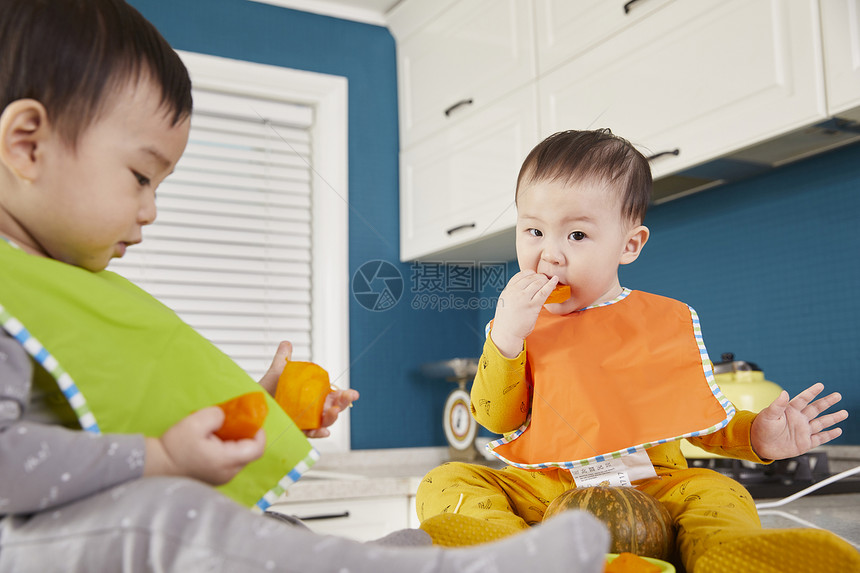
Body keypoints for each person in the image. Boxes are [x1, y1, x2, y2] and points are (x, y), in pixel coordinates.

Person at [0, 2, 615, 571]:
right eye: (140, 177)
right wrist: (159, 459)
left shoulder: (64, 290)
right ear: (27, 143)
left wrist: (256, 412)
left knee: (267, 524)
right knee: (170, 518)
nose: (150, 210)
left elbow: (118, 411)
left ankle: (375, 559)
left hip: (80, 525)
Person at [415, 129, 860, 573]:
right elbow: (496, 419)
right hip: (544, 492)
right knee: (447, 479)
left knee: (719, 492)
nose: (549, 255)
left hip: (651, 489)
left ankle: (726, 557)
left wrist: (757, 437)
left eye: (576, 236)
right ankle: (509, 556)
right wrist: (507, 339)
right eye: (534, 231)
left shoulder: (663, 322)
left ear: (629, 245)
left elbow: (698, 421)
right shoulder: (515, 327)